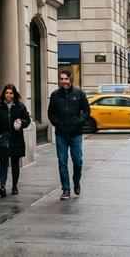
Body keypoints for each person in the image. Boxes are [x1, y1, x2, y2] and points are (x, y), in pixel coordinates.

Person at [0, 83, 31, 197]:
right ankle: (2, 186)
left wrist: (21, 123)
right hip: (3, 139)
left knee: (15, 163)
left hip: (16, 139)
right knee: (3, 163)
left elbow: (27, 120)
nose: (8, 95)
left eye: (11, 93)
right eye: (7, 93)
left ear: (14, 94)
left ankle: (14, 186)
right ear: (4, 94)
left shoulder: (20, 106)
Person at [47, 70, 89, 200]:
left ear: (70, 80)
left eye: (66, 79)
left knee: (78, 161)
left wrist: (80, 122)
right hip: (61, 134)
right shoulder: (55, 95)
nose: (63, 81)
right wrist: (57, 123)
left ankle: (76, 181)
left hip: (76, 133)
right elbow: (50, 113)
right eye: (61, 79)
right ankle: (66, 189)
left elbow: (87, 111)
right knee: (62, 162)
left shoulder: (79, 94)